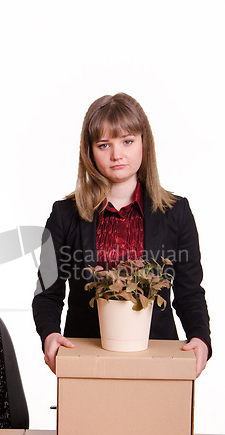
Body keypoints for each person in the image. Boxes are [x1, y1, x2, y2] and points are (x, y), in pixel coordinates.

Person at [32, 92, 211, 377]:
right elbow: (48, 294)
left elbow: (189, 292)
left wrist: (201, 337)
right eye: (104, 145)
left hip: (158, 360)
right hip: (85, 360)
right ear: (89, 150)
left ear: (144, 143)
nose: (117, 154)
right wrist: (49, 334)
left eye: (127, 141)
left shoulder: (177, 213)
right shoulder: (64, 215)